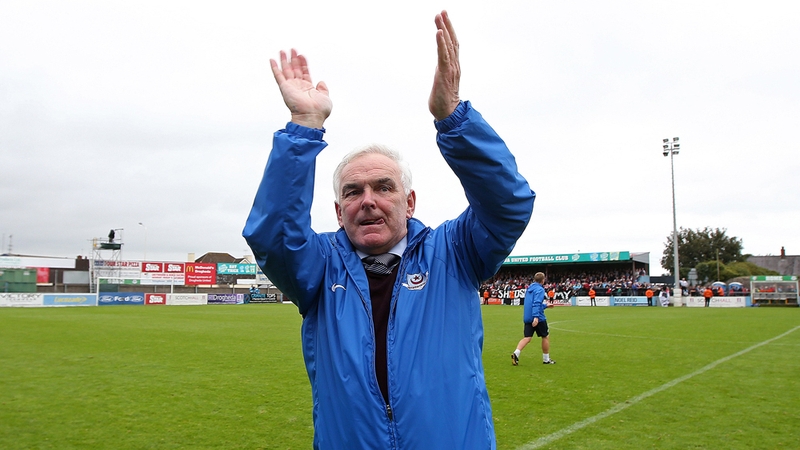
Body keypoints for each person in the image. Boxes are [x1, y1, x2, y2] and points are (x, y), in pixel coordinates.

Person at [243, 11, 535, 449]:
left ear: (409, 201)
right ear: (339, 211)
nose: (369, 200)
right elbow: (272, 236)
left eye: (384, 187)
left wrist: (453, 119)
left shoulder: (454, 251)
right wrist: (303, 129)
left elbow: (508, 204)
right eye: (353, 191)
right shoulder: (319, 268)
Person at [512, 272, 555, 365]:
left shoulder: (529, 289)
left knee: (527, 337)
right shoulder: (540, 289)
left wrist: (545, 305)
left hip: (527, 316)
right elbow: (536, 303)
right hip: (538, 317)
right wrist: (536, 317)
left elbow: (532, 303)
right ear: (543, 280)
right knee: (545, 336)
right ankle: (546, 359)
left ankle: (516, 353)